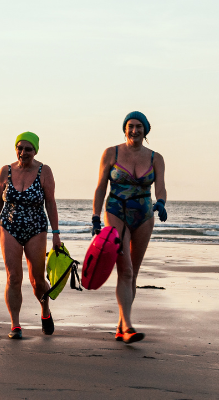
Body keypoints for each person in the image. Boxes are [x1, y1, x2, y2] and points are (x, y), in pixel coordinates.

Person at [91, 111, 168, 344]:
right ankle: (127, 327)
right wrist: (96, 216)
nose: (134, 130)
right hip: (116, 211)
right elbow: (100, 188)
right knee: (124, 269)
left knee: (132, 272)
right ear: (125, 129)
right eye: (130, 126)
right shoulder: (111, 153)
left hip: (144, 215)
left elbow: (161, 187)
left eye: (139, 127)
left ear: (145, 130)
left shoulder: (156, 158)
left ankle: (121, 325)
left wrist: (162, 202)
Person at [0, 132, 61, 339]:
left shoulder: (44, 171)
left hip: (36, 228)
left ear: (35, 150)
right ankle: (15, 325)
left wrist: (56, 234)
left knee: (37, 279)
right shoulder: (6, 171)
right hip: (9, 226)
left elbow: (51, 203)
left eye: (28, 148)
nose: (23, 152)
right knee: (13, 276)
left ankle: (45, 310)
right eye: (20, 148)